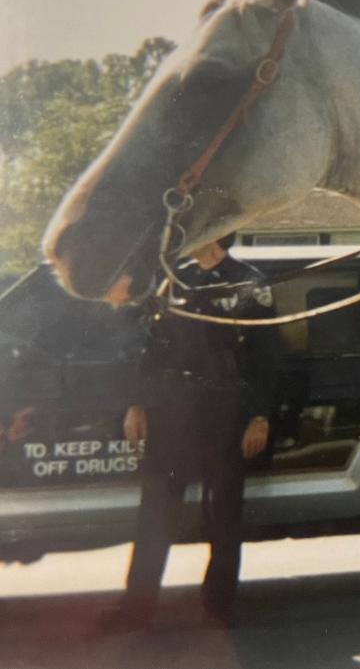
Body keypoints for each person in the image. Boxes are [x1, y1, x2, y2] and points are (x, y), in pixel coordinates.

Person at [97, 233, 279, 632]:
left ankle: (218, 609)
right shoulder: (174, 279)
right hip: (172, 413)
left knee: (223, 516)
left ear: (216, 235)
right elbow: (151, 347)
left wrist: (260, 416)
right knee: (155, 514)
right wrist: (137, 403)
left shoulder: (249, 282)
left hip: (224, 412)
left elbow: (268, 355)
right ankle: (135, 610)